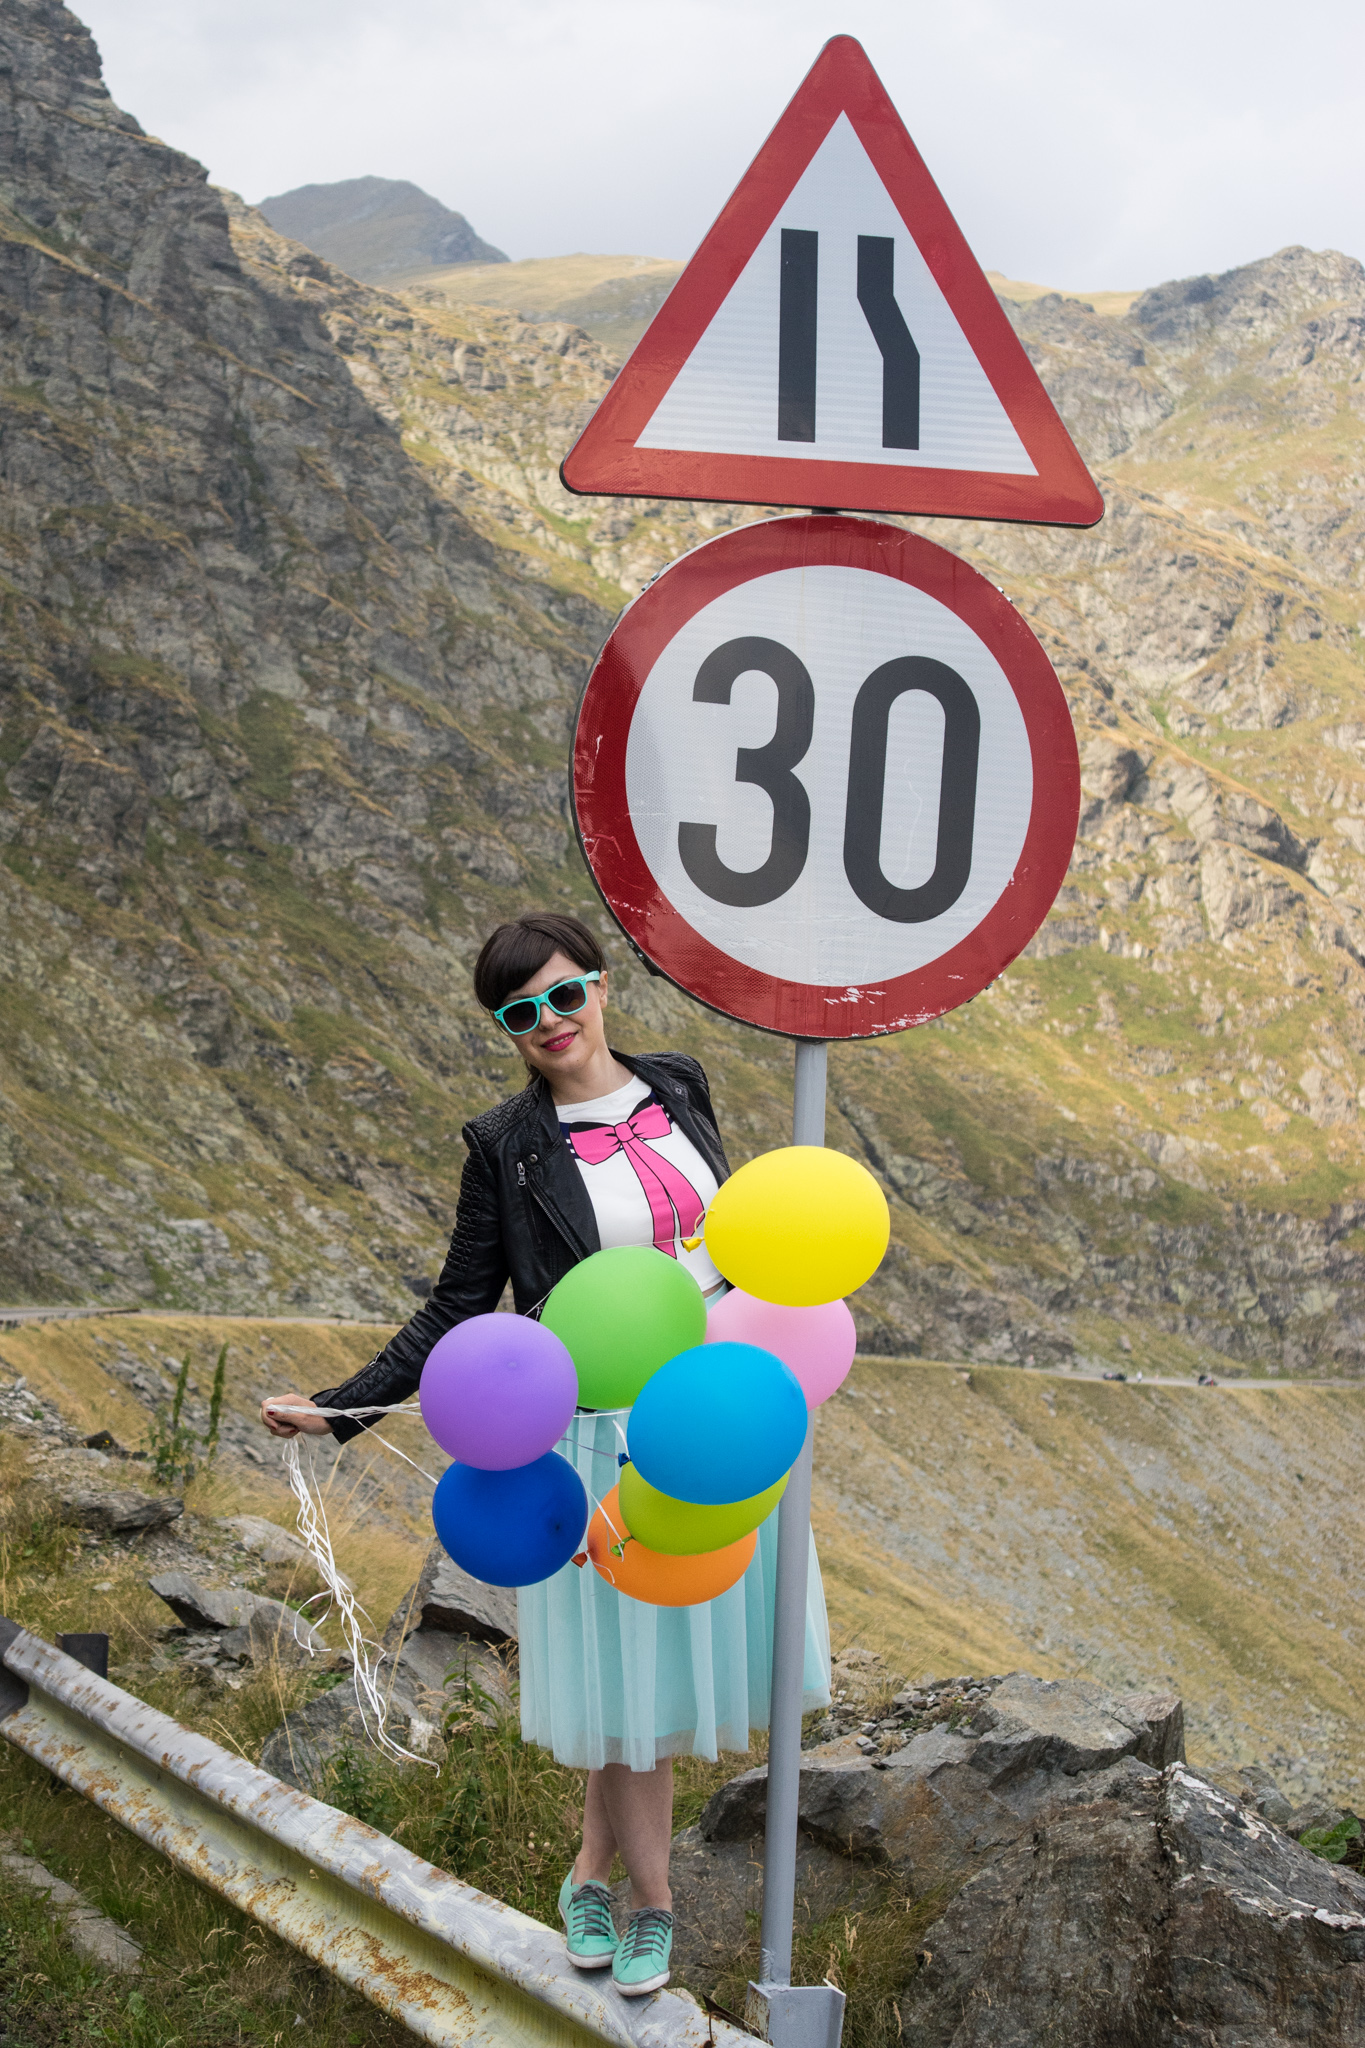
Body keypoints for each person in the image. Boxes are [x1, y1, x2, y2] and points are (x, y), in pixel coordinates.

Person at [260, 911, 830, 1996]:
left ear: (602, 988)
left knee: (640, 1684)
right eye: (521, 1012)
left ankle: (585, 1871)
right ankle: (652, 1909)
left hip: (713, 1418)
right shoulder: (505, 1146)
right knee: (628, 1692)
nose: (550, 1022)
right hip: (603, 1432)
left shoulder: (681, 1084)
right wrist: (342, 1409)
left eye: (565, 995)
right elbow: (458, 1303)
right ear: (505, 1029)